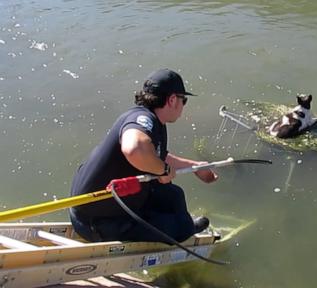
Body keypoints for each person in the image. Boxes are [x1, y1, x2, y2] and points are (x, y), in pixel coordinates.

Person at [70, 68, 218, 243]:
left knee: (173, 194)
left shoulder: (147, 118)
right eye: (183, 100)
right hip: (97, 222)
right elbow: (134, 149)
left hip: (98, 207)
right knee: (178, 227)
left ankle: (181, 225)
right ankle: (181, 230)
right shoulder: (142, 120)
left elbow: (157, 155)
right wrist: (163, 171)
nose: (183, 105)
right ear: (172, 100)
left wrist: (194, 166)